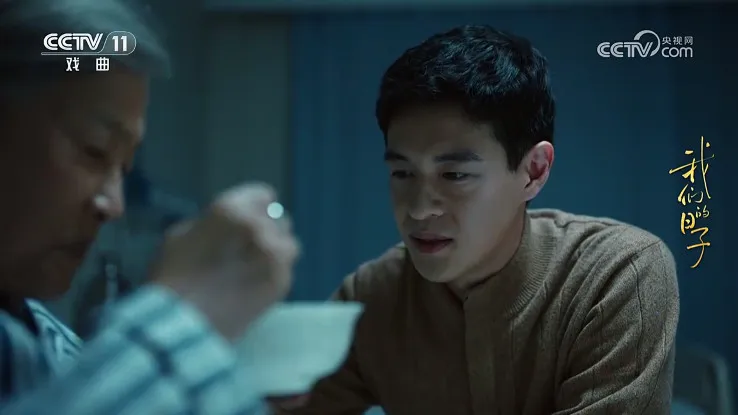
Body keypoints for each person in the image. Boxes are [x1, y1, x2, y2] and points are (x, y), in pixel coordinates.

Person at [275, 24, 680, 414]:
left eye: (454, 175)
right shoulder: (373, 296)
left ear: (534, 171)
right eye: (402, 173)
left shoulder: (617, 274)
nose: (418, 209)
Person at [0, 0, 299, 413]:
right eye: (94, 150)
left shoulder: (43, 349)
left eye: (124, 168)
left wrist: (214, 390)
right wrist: (184, 312)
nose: (114, 206)